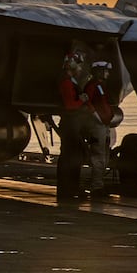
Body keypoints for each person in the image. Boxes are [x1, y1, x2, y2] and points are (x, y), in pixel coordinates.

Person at [56, 52, 89, 201]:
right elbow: (70, 105)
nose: (80, 68)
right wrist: (81, 100)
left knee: (70, 157)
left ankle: (69, 190)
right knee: (72, 158)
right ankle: (69, 190)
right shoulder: (67, 82)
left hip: (70, 124)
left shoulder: (68, 81)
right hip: (71, 124)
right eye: (79, 64)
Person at [83, 61, 115, 197]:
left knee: (103, 156)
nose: (107, 74)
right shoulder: (92, 86)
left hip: (103, 125)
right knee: (98, 157)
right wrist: (96, 116)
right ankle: (96, 186)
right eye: (105, 71)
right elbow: (87, 102)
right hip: (97, 126)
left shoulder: (100, 86)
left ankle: (99, 184)